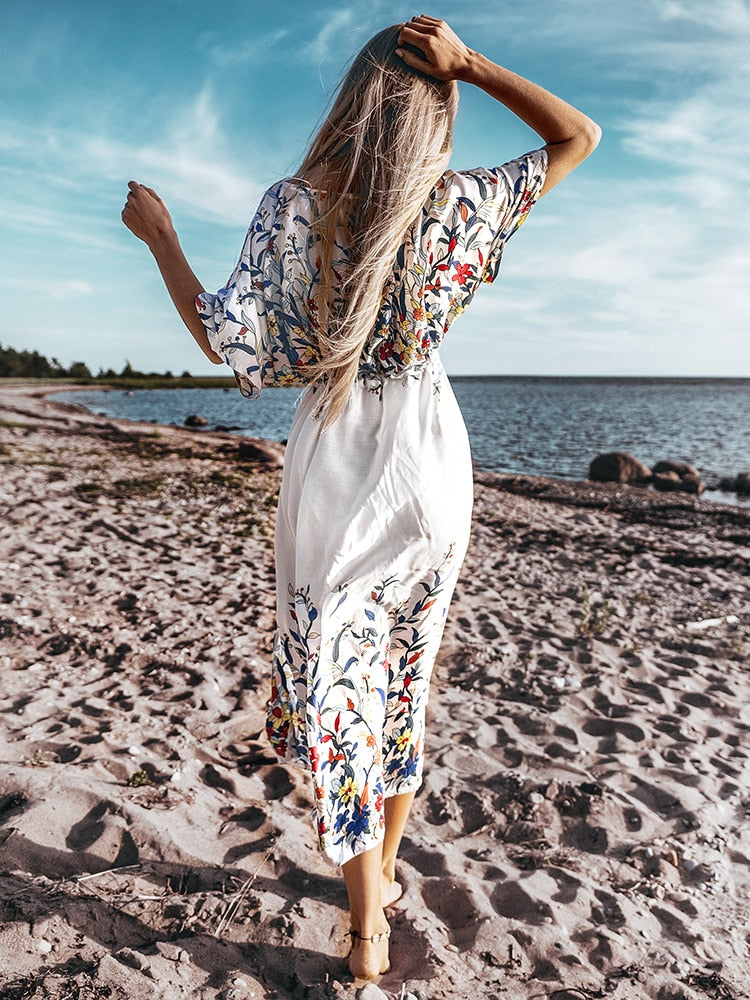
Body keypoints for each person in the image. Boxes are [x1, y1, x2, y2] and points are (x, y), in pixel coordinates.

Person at [122, 14, 600, 984]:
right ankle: (377, 880)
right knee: (403, 682)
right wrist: (475, 64)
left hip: (339, 452)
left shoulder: (298, 207)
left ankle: (369, 922)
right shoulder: (460, 202)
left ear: (352, 98)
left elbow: (226, 340)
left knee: (339, 692)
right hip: (432, 456)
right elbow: (576, 136)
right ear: (436, 107)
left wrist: (163, 238)